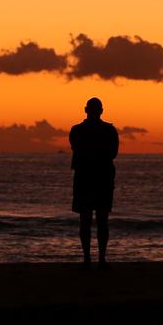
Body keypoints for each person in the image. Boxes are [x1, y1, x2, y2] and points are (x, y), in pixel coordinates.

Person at [69, 97, 119, 266]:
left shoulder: (76, 130)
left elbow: (76, 149)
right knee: (101, 220)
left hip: (86, 178)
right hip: (101, 178)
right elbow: (113, 153)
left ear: (86, 110)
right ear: (101, 111)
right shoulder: (109, 131)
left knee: (86, 220)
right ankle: (100, 258)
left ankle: (88, 258)